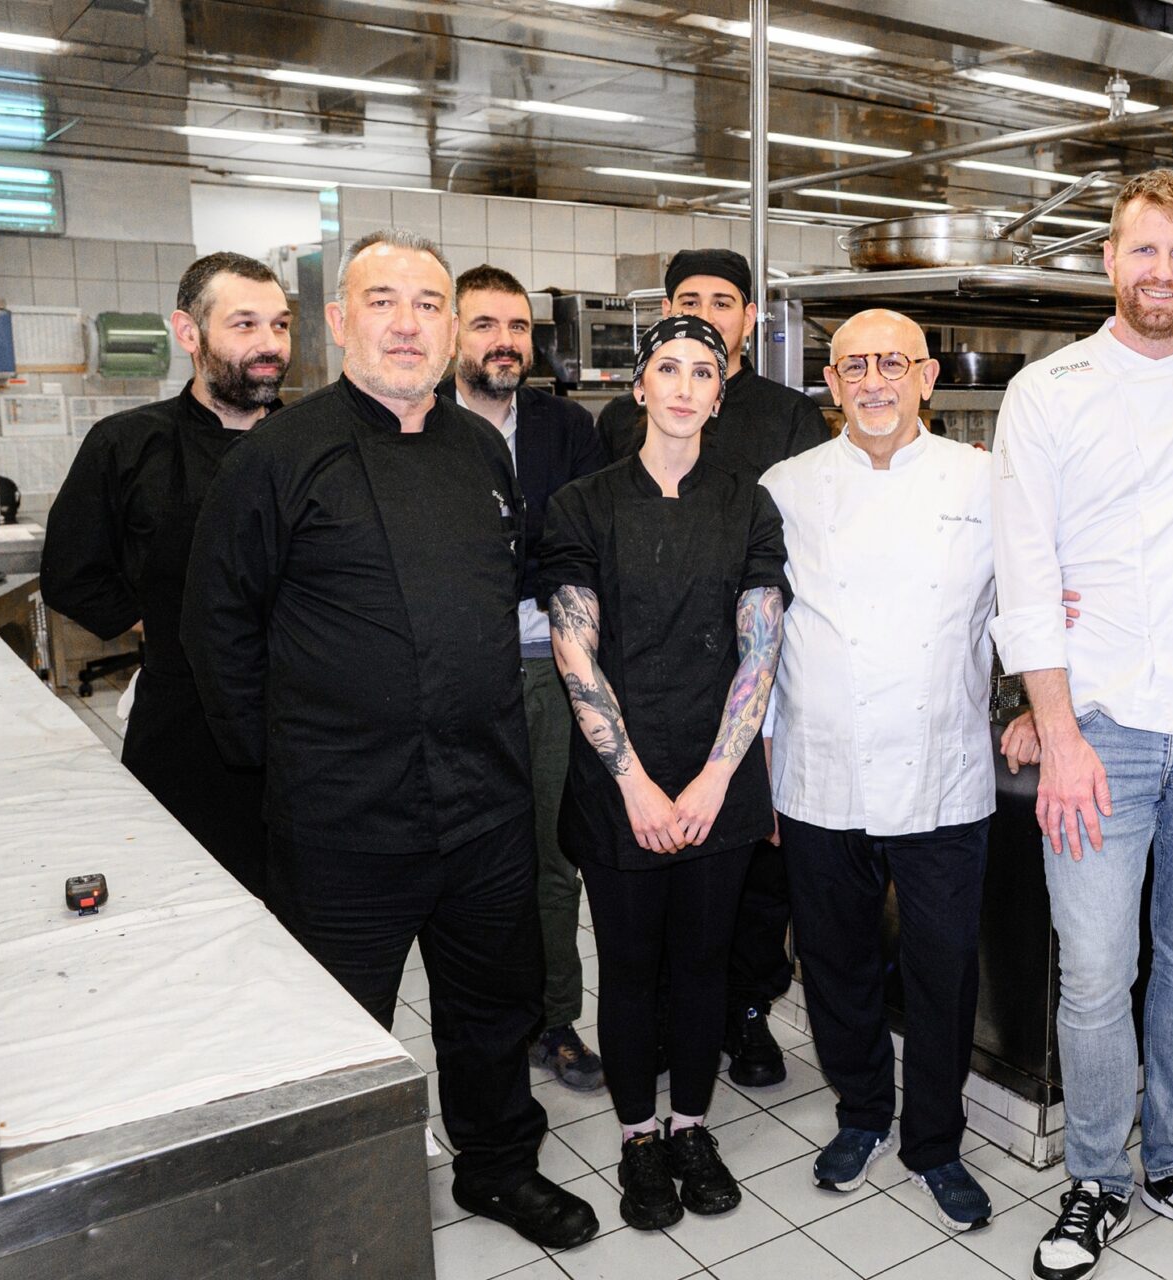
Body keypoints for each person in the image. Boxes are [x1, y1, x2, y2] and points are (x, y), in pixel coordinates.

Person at [182, 230, 597, 1250]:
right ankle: (332, 1206)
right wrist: (283, 762)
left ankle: (498, 1166)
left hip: (483, 801)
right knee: (337, 1026)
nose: (407, 324)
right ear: (339, 321)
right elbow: (218, 626)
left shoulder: (480, 451)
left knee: (491, 1008)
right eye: (383, 301)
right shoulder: (278, 456)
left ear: (451, 328)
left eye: (427, 304)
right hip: (343, 814)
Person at [992, 169, 1173, 1280]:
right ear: (1110, 259)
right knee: (1096, 972)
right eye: (1144, 249)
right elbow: (1026, 570)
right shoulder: (1048, 389)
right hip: (1101, 729)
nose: (1163, 271)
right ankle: (1097, 1179)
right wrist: (1055, 728)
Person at [538, 314, 790, 1231]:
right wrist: (635, 783)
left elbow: (759, 649)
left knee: (704, 964)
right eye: (669, 369)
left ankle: (690, 1126)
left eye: (704, 373)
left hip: (719, 774)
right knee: (632, 966)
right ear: (639, 386)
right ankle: (638, 1135)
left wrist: (718, 778)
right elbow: (576, 652)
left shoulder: (749, 505)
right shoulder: (583, 506)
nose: (685, 387)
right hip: (622, 785)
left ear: (720, 397)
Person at [761, 308, 996, 1231]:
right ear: (830, 382)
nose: (873, 382)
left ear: (927, 377)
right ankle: (861, 1111)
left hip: (944, 769)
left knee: (944, 969)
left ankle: (934, 1141)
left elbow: (1030, 606)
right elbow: (759, 633)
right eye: (854, 366)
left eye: (892, 364)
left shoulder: (985, 480)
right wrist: (762, 758)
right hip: (820, 769)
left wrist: (1040, 715)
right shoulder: (787, 486)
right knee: (835, 963)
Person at [598, 247, 828, 1088]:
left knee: (755, 868)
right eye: (688, 300)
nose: (705, 314)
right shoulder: (617, 424)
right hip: (646, 679)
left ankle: (748, 1009)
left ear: (749, 321)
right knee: (654, 874)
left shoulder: (788, 416)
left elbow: (804, 557)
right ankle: (666, 1016)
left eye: (723, 301)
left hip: (751, 678)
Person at [42, 252, 289, 901]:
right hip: (183, 725)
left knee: (304, 918)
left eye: (280, 324)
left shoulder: (314, 443)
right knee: (188, 904)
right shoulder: (127, 444)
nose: (270, 344)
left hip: (304, 728)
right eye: (245, 324)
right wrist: (162, 624)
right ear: (188, 332)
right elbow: (70, 572)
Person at [443, 264, 609, 1094]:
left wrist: (509, 563)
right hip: (453, 677)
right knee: (463, 862)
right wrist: (522, 561)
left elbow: (580, 544)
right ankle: (483, 1025)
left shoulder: (565, 428)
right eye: (485, 325)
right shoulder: (421, 424)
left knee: (550, 857)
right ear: (452, 335)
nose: (505, 341)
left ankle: (555, 1021)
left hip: (547, 670)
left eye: (518, 327)